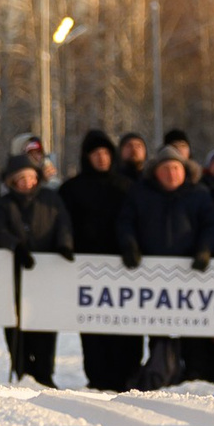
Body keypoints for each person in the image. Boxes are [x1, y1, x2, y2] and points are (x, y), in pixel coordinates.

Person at [118, 147, 214, 389]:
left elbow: (211, 224)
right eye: (166, 169)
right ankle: (158, 376)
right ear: (156, 172)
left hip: (192, 275)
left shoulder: (199, 194)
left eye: (176, 168)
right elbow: (125, 222)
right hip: (150, 276)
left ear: (185, 170)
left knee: (193, 333)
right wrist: (129, 246)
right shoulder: (141, 193)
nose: (171, 174)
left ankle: (191, 379)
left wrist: (204, 250)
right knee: (158, 331)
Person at [61, 130, 143, 391]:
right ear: (87, 157)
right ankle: (98, 379)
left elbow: (138, 221)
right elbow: (63, 223)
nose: (102, 158)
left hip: (124, 267)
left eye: (106, 153)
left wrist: (133, 246)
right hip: (87, 269)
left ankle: (128, 376)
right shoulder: (72, 189)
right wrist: (67, 245)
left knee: (127, 324)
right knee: (93, 326)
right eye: (96, 153)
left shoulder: (127, 186)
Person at [0, 156, 73, 385]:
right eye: (22, 178)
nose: (27, 182)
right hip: (16, 274)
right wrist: (15, 247)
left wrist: (64, 245)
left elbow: (63, 223)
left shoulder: (50, 199)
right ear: (13, 181)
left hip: (46, 273)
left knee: (45, 323)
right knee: (16, 324)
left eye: (31, 177)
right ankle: (22, 370)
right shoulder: (4, 204)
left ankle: (45, 372)